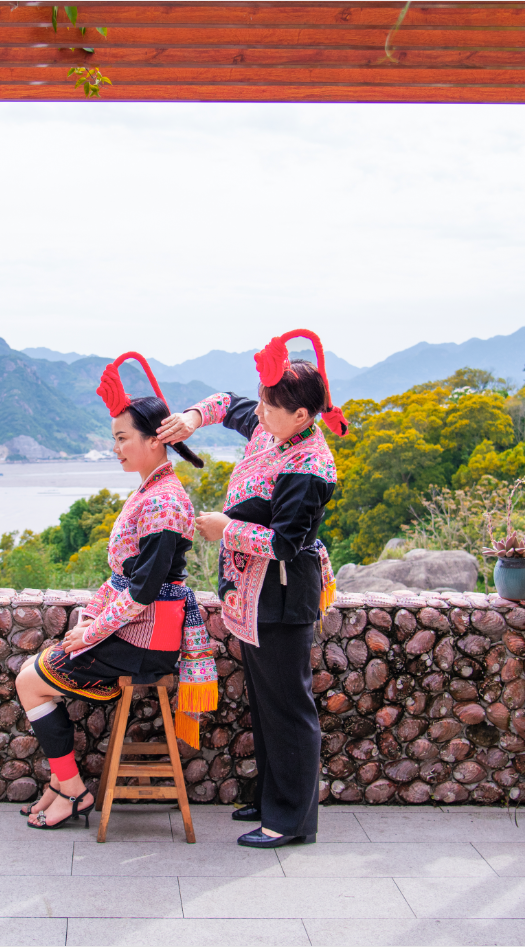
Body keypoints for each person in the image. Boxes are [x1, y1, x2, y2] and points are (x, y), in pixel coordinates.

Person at [157, 329, 347, 849]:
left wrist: (227, 529)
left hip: (283, 596)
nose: (258, 413)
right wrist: (191, 419)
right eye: (262, 402)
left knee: (287, 707)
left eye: (269, 406)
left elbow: (286, 543)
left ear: (302, 416)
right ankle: (270, 798)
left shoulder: (309, 467)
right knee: (265, 704)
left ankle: (290, 819)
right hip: (253, 594)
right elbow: (228, 404)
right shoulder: (272, 426)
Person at [14, 352, 219, 830]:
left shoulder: (164, 502)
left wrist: (89, 633)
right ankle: (61, 786)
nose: (116, 448)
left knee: (29, 681)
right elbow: (130, 581)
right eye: (115, 439)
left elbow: (143, 591)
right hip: (137, 632)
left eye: (123, 438)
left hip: (145, 641)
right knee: (29, 673)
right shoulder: (153, 491)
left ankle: (72, 790)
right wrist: (90, 623)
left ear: (154, 440)